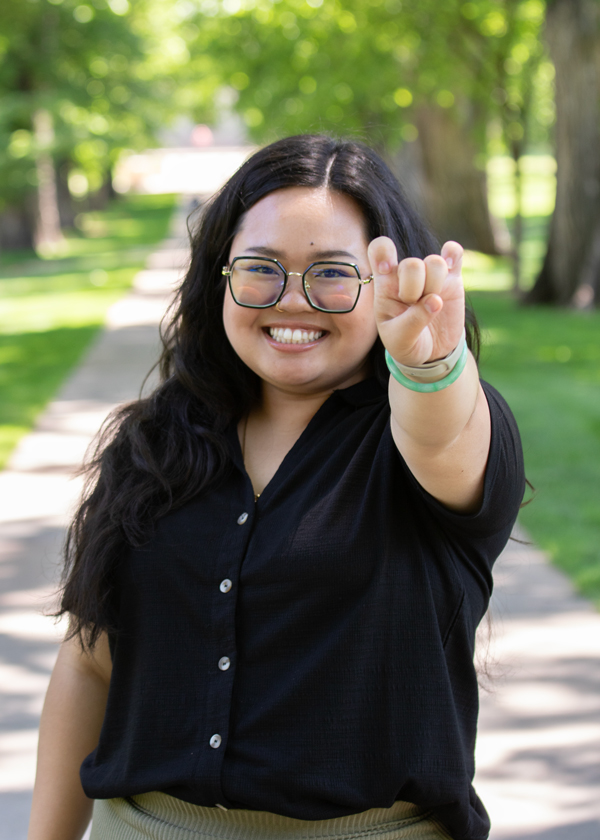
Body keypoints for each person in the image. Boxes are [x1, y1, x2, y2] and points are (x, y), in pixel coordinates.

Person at [28, 135, 524, 840]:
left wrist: (431, 363)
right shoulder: (155, 442)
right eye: (261, 269)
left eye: (331, 274)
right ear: (221, 275)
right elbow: (90, 662)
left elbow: (443, 434)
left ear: (384, 284)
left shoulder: (429, 436)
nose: (293, 302)